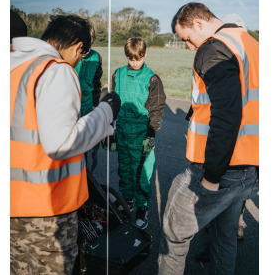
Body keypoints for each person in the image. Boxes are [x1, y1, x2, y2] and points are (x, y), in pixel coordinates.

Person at [10, 14, 121, 275]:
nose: (79, 61)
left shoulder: (16, 68)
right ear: (78, 48)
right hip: (46, 210)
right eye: (81, 55)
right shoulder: (55, 69)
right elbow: (62, 142)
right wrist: (106, 111)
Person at [157, 3, 259, 275]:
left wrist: (211, 178)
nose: (191, 47)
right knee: (224, 238)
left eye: (187, 38)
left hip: (218, 170)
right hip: (248, 168)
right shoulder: (252, 45)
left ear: (199, 24)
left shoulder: (214, 48)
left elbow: (226, 116)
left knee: (173, 238)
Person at [106, 37, 166, 230]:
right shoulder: (118, 74)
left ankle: (142, 207)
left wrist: (151, 134)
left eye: (138, 59)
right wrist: (111, 130)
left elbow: (157, 109)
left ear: (145, 54)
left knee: (141, 173)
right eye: (131, 59)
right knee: (124, 169)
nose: (134, 62)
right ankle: (127, 201)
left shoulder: (152, 79)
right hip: (122, 130)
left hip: (141, 134)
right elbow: (112, 102)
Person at [74, 23, 103, 171]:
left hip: (87, 108)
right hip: (71, 109)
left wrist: (96, 106)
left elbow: (97, 84)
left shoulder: (97, 57)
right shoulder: (71, 55)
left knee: (85, 149)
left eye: (90, 41)